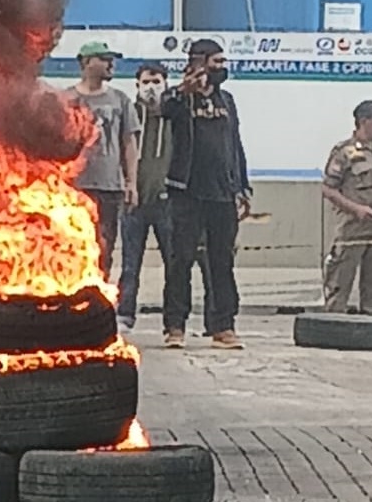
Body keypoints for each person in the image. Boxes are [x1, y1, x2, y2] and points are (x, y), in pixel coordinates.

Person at [161, 39, 251, 350]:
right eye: (216, 61)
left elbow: (235, 145)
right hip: (186, 193)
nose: (222, 67)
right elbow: (164, 109)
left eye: (224, 61)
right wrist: (184, 90)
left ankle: (223, 326)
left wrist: (242, 186)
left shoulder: (228, 100)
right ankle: (175, 326)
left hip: (223, 195)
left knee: (221, 261)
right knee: (180, 259)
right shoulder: (180, 99)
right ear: (200, 62)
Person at [320, 100, 372, 315]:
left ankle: (369, 316)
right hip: (353, 227)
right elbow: (328, 190)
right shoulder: (344, 151)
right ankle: (334, 316)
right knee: (341, 276)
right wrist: (356, 209)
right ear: (363, 122)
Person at [66, 43, 140, 278]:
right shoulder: (67, 99)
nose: (111, 64)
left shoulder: (120, 99)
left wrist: (131, 183)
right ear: (86, 62)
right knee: (74, 246)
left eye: (112, 59)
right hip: (76, 187)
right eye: (104, 59)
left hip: (109, 187)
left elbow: (129, 143)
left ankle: (99, 297)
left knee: (105, 247)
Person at [116, 62, 175, 331]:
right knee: (130, 263)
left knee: (174, 264)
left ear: (166, 84)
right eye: (146, 82)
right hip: (133, 202)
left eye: (157, 82)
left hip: (167, 202)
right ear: (137, 86)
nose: (151, 88)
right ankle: (125, 314)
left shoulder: (174, 116)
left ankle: (174, 320)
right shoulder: (129, 115)